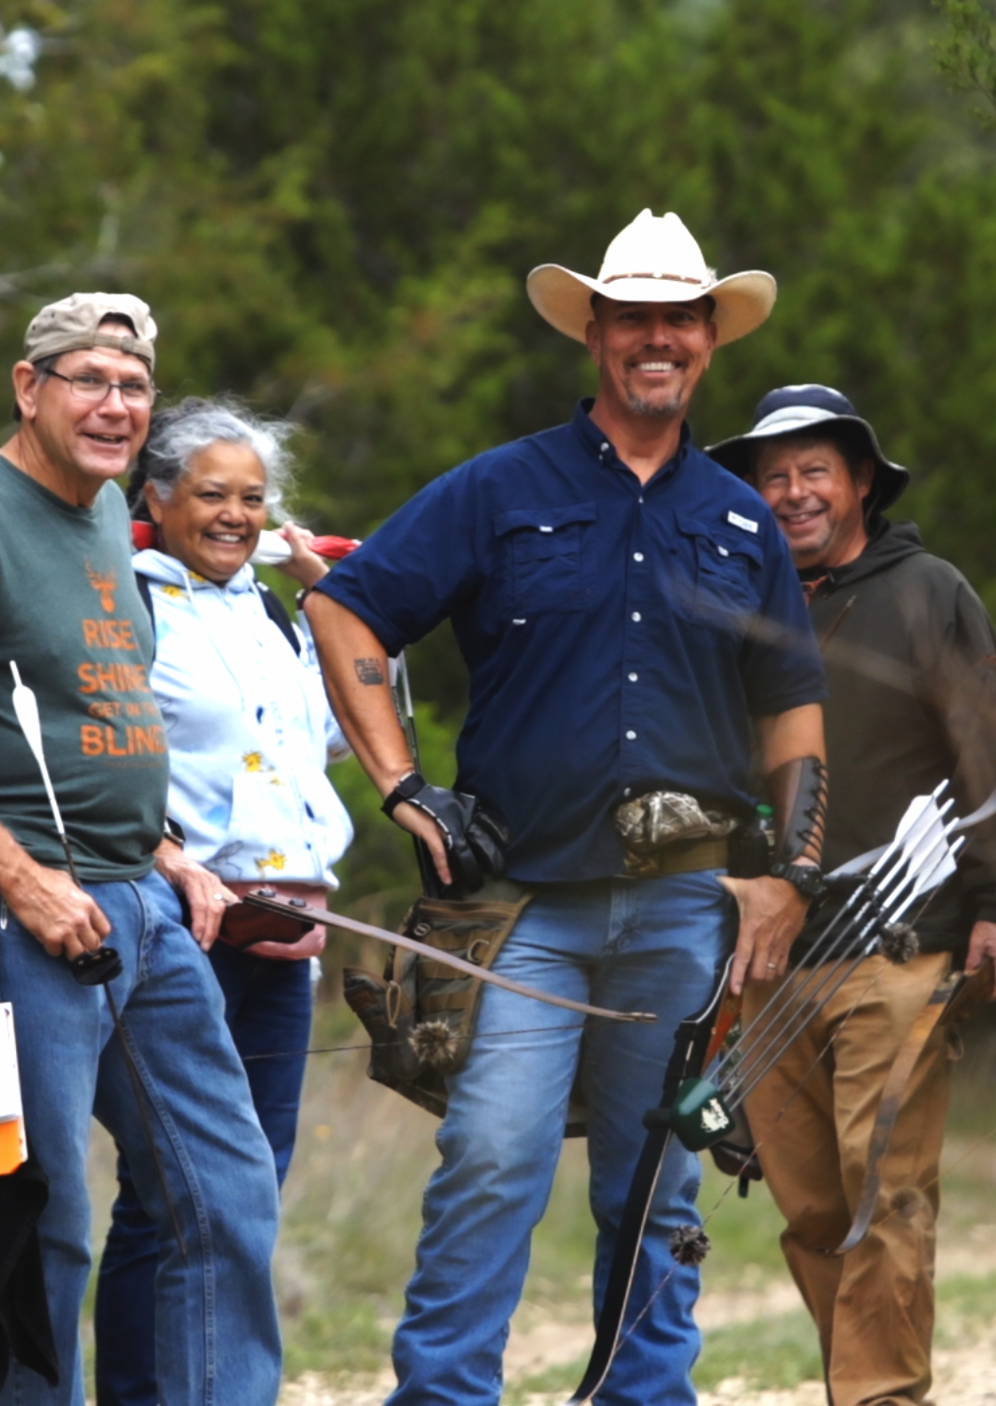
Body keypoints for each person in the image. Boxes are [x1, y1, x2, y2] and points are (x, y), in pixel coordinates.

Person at [304, 210, 831, 1406]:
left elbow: (791, 712)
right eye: (633, 316)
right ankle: (441, 1395)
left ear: (708, 339)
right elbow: (345, 610)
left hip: (686, 906)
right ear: (593, 332)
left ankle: (645, 1394)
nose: (657, 338)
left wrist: (791, 872)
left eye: (679, 319)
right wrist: (401, 783)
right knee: (491, 1156)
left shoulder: (743, 520)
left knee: (656, 1176)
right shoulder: (498, 488)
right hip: (517, 902)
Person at [0, 293, 282, 1406]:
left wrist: (173, 846)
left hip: (140, 904)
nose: (115, 403)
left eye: (134, 385)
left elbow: (96, 709)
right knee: (35, 1221)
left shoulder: (101, 514)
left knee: (224, 1188)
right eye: (87, 378)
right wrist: (20, 876)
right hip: (14, 927)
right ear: (27, 386)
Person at [707, 383, 996, 1406]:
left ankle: (879, 1397)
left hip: (901, 948)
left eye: (814, 470)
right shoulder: (739, 604)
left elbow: (989, 754)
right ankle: (863, 1383)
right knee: (809, 1206)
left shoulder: (929, 590)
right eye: (773, 477)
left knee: (882, 1196)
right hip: (765, 957)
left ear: (858, 482)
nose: (793, 492)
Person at [94, 397, 352, 1405]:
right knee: (167, 1196)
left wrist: (332, 592)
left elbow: (328, 739)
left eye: (252, 497)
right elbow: (100, 761)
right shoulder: (124, 603)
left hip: (283, 937)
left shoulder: (272, 608)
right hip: (179, 932)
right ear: (154, 495)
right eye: (211, 493)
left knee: (248, 1193)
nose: (236, 515)